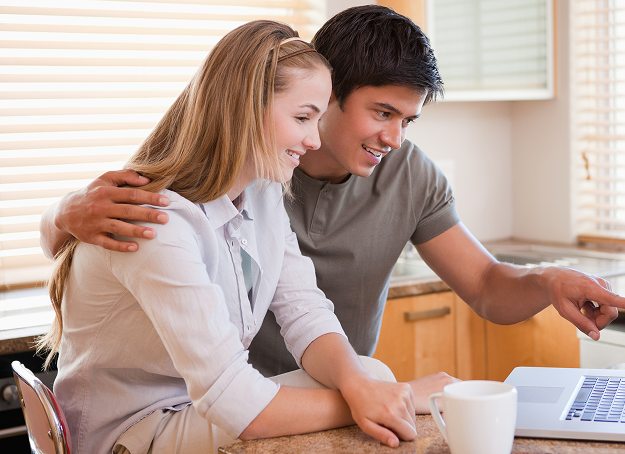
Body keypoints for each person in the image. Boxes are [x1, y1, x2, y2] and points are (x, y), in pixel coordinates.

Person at [40, 6, 625, 413]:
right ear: (324, 95)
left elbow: (484, 284)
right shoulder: (256, 169)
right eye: (381, 113)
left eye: (407, 120)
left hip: (324, 394)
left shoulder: (402, 175)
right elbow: (125, 236)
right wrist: (63, 214)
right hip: (231, 408)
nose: (394, 139)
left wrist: (545, 280)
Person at [38, 20, 418, 454]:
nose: (314, 140)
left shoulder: (264, 193)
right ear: (243, 108)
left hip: (187, 410)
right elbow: (235, 402)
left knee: (369, 375)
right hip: (130, 435)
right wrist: (370, 400)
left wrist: (363, 388)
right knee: (376, 387)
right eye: (302, 118)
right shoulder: (154, 222)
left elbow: (305, 310)